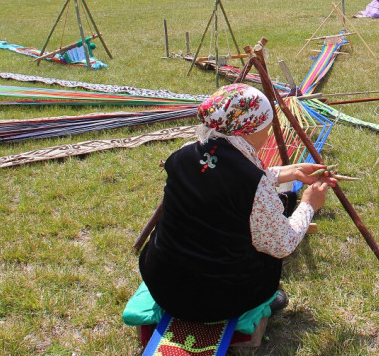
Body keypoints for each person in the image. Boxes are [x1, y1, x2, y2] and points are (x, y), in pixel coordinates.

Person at [138, 83, 334, 331]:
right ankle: (257, 304)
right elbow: (283, 244)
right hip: (220, 300)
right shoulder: (255, 185)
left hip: (162, 283)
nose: (267, 136)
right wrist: (309, 205)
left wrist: (291, 172)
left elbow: (221, 179)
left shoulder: (183, 155)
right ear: (249, 130)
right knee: (268, 245)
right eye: (266, 129)